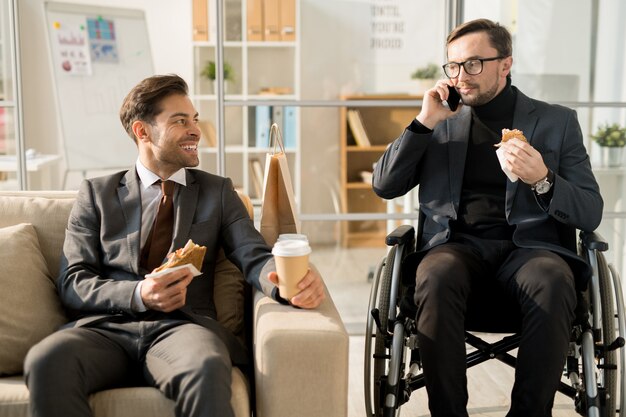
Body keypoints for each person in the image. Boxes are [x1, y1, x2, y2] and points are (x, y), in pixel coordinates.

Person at [24, 74, 325, 417]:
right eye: (180, 121)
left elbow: (253, 255)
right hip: (106, 330)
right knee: (46, 360)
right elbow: (73, 281)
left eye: (194, 119)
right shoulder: (97, 194)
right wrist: (139, 294)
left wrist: (287, 284)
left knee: (208, 365)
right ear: (143, 131)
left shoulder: (218, 192)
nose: (195, 130)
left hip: (183, 330)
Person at [372, 18, 603, 417]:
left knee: (553, 279)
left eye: (474, 64)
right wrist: (423, 123)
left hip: (532, 250)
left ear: (506, 64)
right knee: (435, 273)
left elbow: (590, 209)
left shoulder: (556, 121)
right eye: (454, 66)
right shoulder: (439, 121)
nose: (462, 76)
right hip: (456, 247)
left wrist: (544, 180)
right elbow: (384, 184)